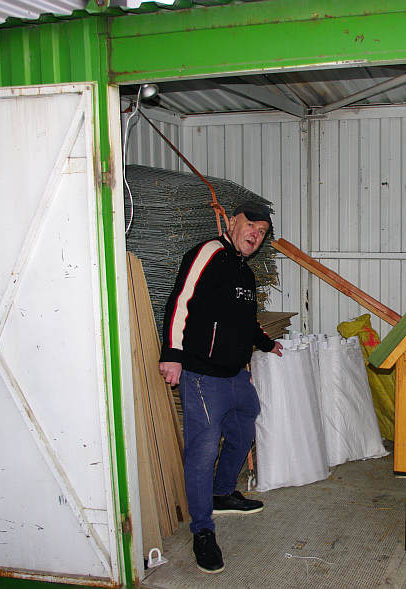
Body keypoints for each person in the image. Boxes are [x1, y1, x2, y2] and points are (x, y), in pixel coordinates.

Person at [158, 201, 283, 574]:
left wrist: (266, 344)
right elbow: (180, 301)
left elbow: (246, 321)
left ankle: (222, 492)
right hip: (202, 375)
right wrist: (172, 354)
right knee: (203, 450)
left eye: (262, 232)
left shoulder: (245, 273)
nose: (255, 235)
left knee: (246, 422)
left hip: (234, 375)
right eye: (250, 225)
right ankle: (202, 530)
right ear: (231, 222)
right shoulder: (208, 253)